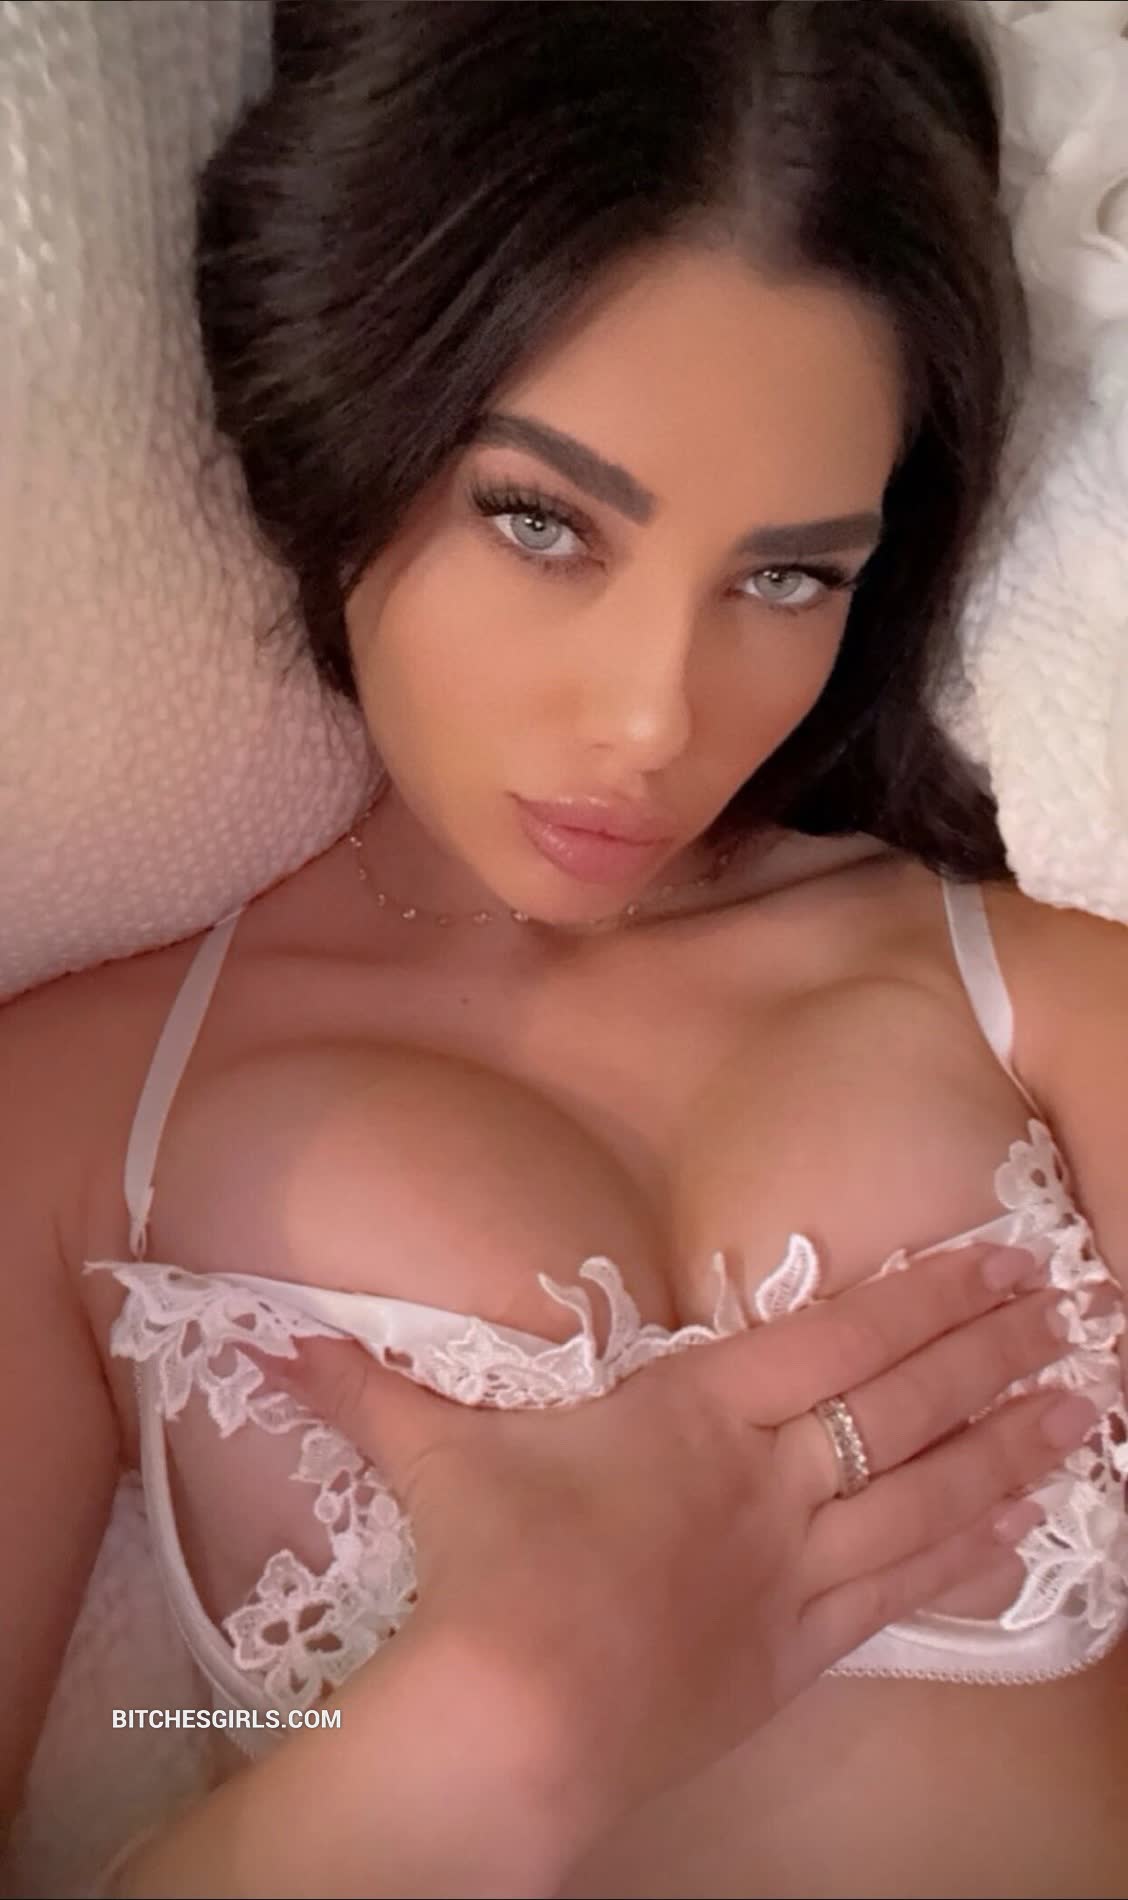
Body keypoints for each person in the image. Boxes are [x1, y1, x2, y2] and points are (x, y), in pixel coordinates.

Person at [2, 2, 1126, 1895]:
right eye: (540, 520)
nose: (653, 718)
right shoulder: (68, 1117)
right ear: (346, 411)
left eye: (787, 574)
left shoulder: (1060, 1001)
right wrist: (480, 1747)